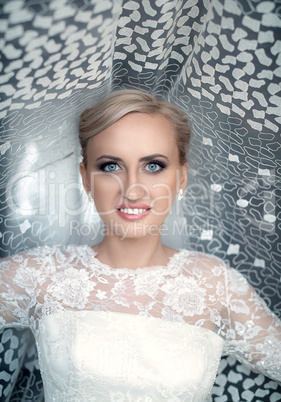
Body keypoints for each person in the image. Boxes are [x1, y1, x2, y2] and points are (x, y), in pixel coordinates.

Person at [0, 89, 280, 401]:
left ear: (182, 177)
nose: (132, 190)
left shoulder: (216, 285)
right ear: (85, 178)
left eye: (153, 166)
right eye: (110, 166)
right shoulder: (41, 275)